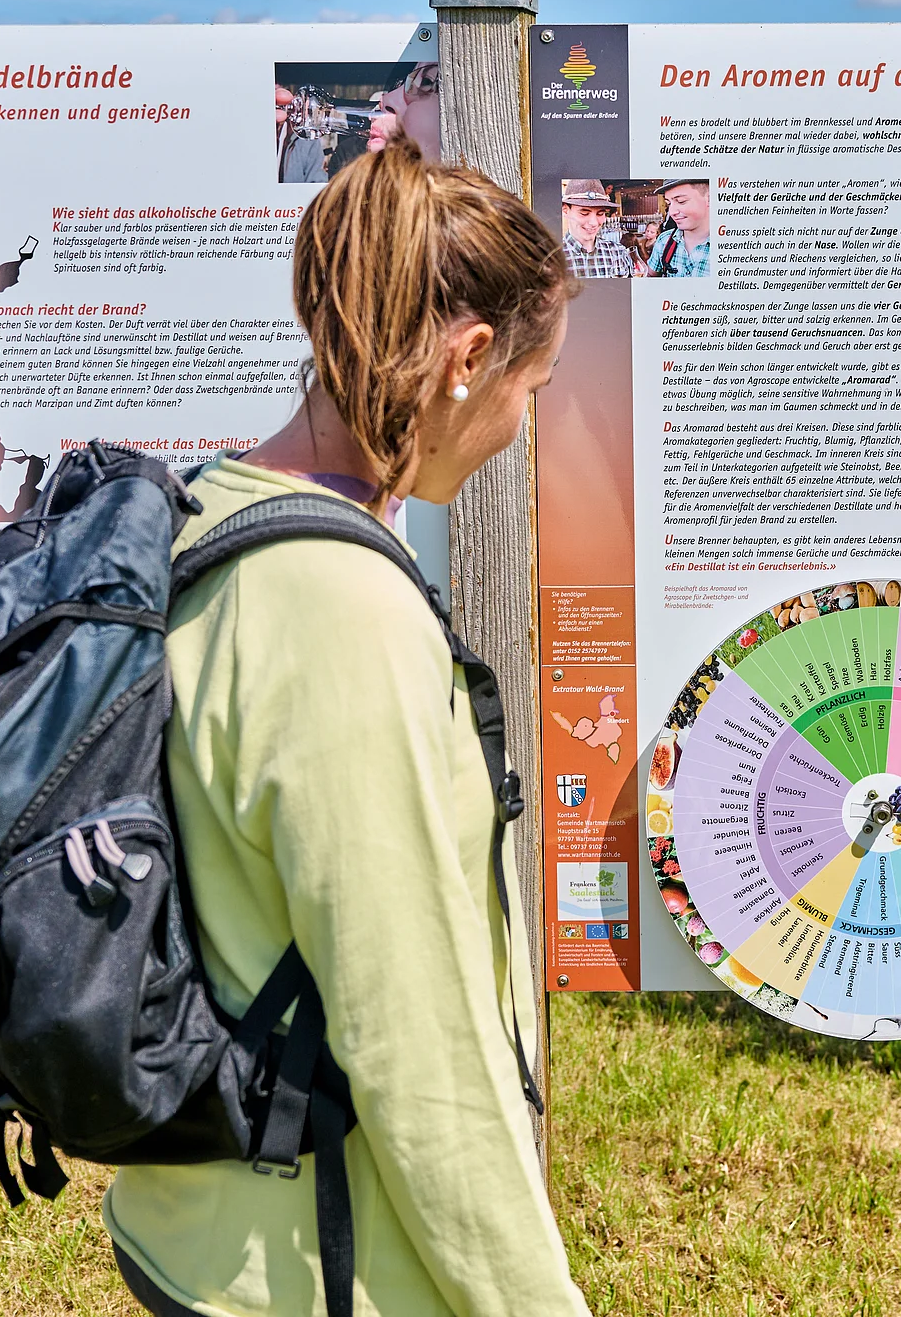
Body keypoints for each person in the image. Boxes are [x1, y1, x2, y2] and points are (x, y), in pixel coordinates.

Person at [105, 136, 590, 1317]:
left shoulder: (215, 505)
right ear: (470, 360)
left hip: (198, 1224)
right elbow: (411, 1031)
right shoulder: (344, 615)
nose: (524, 427)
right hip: (321, 1269)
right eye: (534, 388)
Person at [557, 178, 632, 278]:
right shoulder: (551, 258)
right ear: (565, 210)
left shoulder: (618, 252)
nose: (593, 223)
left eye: (600, 214)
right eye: (584, 213)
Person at [644, 178, 710, 277]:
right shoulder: (664, 240)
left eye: (681, 201)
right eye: (669, 203)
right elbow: (650, 275)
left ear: (709, 199)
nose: (672, 212)